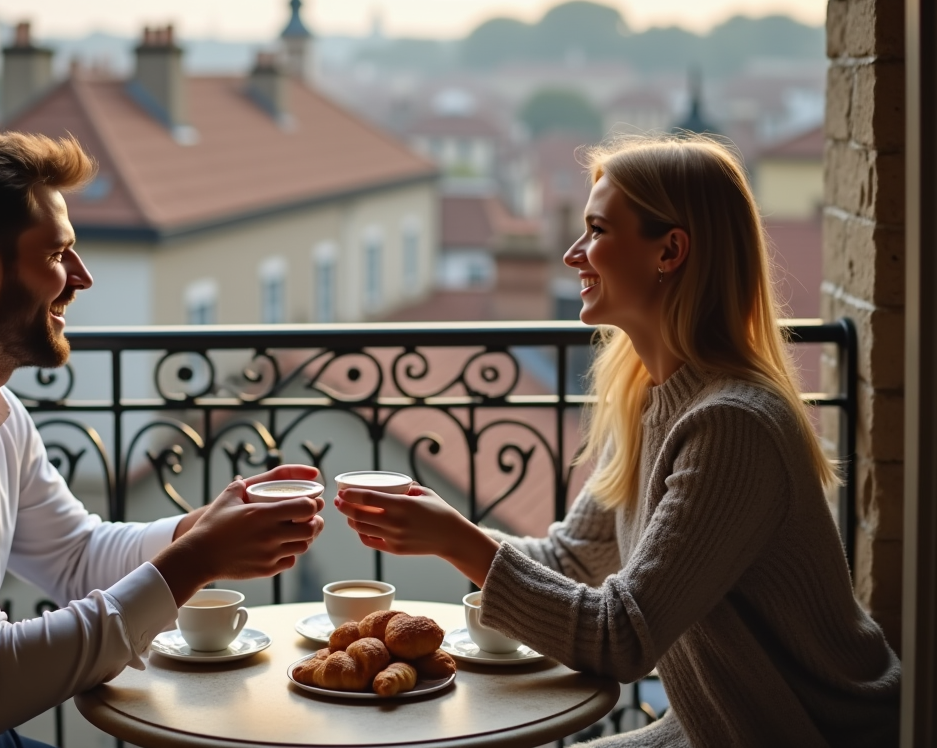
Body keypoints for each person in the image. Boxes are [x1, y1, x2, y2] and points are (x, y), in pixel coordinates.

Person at [335, 136, 900, 746]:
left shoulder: (732, 426)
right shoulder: (649, 400)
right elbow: (570, 561)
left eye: (598, 230)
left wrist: (457, 540)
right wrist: (441, 529)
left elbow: (621, 639)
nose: (573, 255)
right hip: (715, 725)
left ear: (671, 251)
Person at [0, 130, 325, 748]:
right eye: (57, 254)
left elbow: (76, 556)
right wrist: (200, 559)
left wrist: (200, 529)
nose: (82, 277)